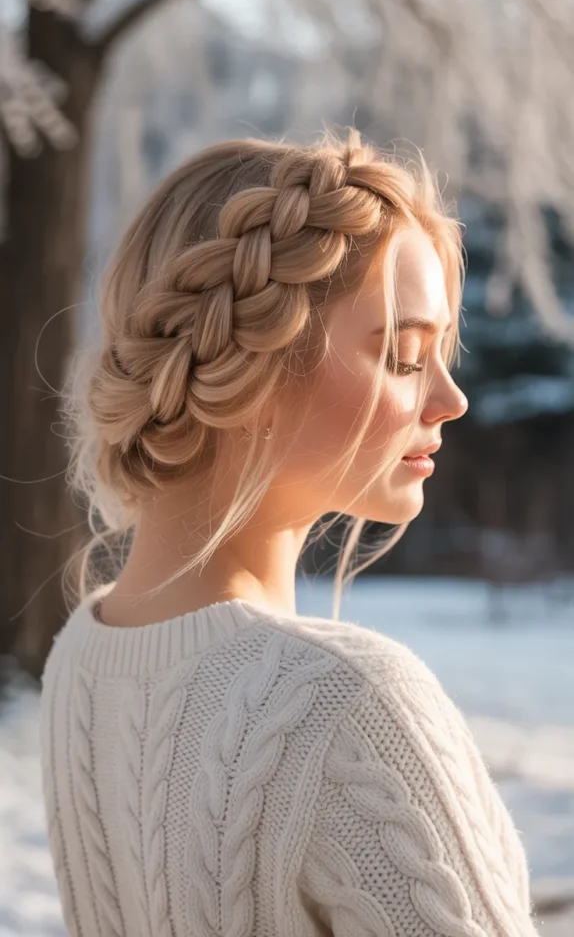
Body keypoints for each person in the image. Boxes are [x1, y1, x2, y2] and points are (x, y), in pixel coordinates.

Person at [39, 129, 540, 936]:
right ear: (256, 366)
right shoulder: (349, 701)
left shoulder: (83, 658)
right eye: (407, 357)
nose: (451, 400)